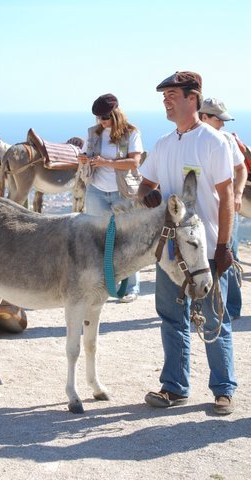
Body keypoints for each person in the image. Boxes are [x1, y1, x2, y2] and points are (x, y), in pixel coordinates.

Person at [138, 71, 236, 415]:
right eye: (164, 96)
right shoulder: (163, 144)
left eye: (172, 95)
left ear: (192, 98)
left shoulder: (213, 141)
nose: (166, 100)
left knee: (213, 319)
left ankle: (223, 390)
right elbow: (144, 185)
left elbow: (226, 197)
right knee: (170, 317)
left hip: (203, 250)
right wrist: (147, 195)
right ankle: (174, 388)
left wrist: (223, 246)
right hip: (167, 254)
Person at [78, 93, 143, 303]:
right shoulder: (94, 133)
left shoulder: (131, 133)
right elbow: (88, 155)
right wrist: (84, 158)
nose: (101, 121)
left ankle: (131, 286)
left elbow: (134, 162)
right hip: (96, 190)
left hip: (122, 192)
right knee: (98, 238)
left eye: (104, 117)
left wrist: (106, 162)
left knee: (127, 238)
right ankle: (104, 284)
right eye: (98, 117)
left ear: (115, 114)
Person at [199, 98, 247, 320]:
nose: (223, 125)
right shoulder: (192, 140)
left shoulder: (227, 140)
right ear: (203, 117)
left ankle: (231, 309)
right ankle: (201, 306)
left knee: (230, 256)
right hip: (199, 211)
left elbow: (241, 169)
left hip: (225, 210)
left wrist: (237, 193)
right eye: (219, 120)